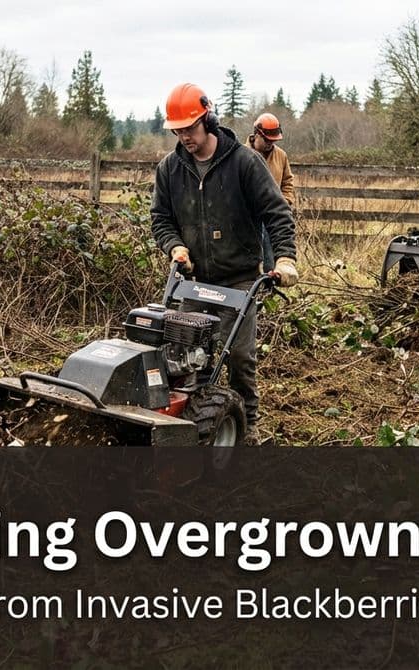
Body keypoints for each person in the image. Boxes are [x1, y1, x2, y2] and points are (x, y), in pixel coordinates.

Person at [150, 83, 298, 445]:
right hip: (196, 277)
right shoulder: (170, 169)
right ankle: (186, 419)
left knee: (240, 357)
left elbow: (276, 212)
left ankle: (246, 424)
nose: (184, 136)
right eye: (178, 130)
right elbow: (161, 218)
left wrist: (284, 257)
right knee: (179, 350)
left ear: (207, 120)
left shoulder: (244, 162)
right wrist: (175, 247)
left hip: (240, 277)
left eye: (189, 128)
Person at [246, 112, 296, 209]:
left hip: (274, 214)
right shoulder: (241, 155)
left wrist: (285, 202)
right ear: (257, 134)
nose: (270, 143)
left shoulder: (281, 156)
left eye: (273, 140)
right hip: (248, 216)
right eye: (267, 140)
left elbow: (288, 182)